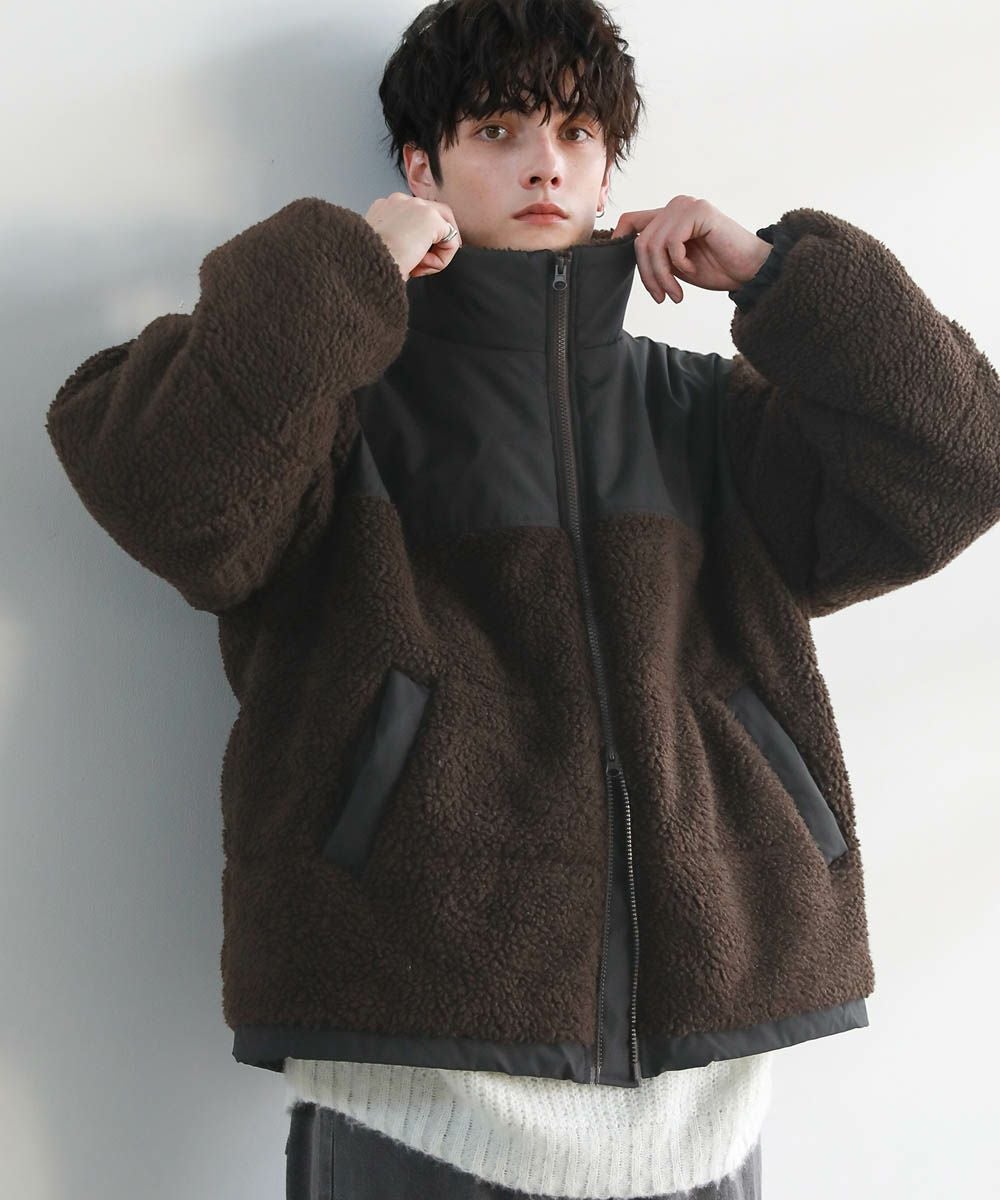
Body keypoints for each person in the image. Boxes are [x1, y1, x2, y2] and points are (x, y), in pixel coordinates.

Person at [44, 1, 1000, 1198]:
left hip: (701, 1098)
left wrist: (776, 279)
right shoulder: (333, 414)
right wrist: (348, 267)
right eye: (497, 129)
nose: (544, 162)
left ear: (607, 173)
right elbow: (166, 487)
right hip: (411, 1083)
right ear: (422, 168)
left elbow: (962, 462)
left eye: (577, 132)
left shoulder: (705, 419)